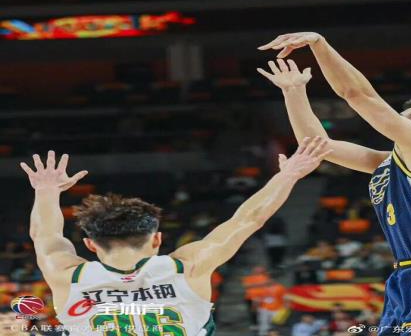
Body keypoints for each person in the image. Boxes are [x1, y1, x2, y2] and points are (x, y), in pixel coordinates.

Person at [258, 31, 411, 335]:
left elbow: (358, 95)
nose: (406, 122)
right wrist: (294, 91)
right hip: (406, 276)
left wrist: (319, 44)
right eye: (403, 117)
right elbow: (317, 145)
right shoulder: (388, 162)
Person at [20, 137, 331, 336]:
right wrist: (289, 175)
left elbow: (44, 234)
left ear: (90, 244)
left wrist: (46, 191)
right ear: (156, 239)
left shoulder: (68, 276)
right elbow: (249, 219)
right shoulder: (187, 267)